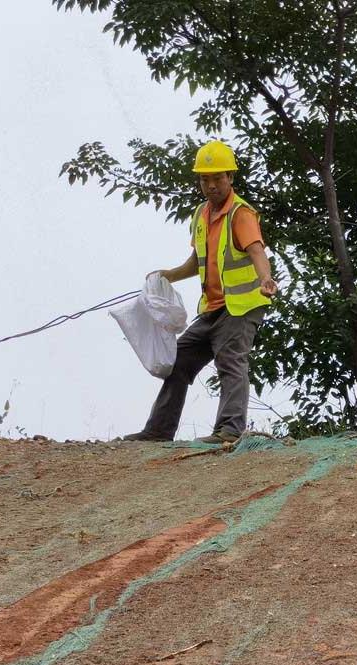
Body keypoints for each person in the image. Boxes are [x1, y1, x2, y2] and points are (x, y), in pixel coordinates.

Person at [123, 140, 277, 444]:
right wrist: (169, 275)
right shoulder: (201, 215)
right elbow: (198, 261)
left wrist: (266, 278)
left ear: (230, 177)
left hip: (241, 306)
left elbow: (257, 251)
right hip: (213, 308)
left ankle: (229, 432)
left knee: (231, 361)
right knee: (178, 360)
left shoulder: (240, 214)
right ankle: (158, 431)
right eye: (205, 179)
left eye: (217, 178)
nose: (211, 185)